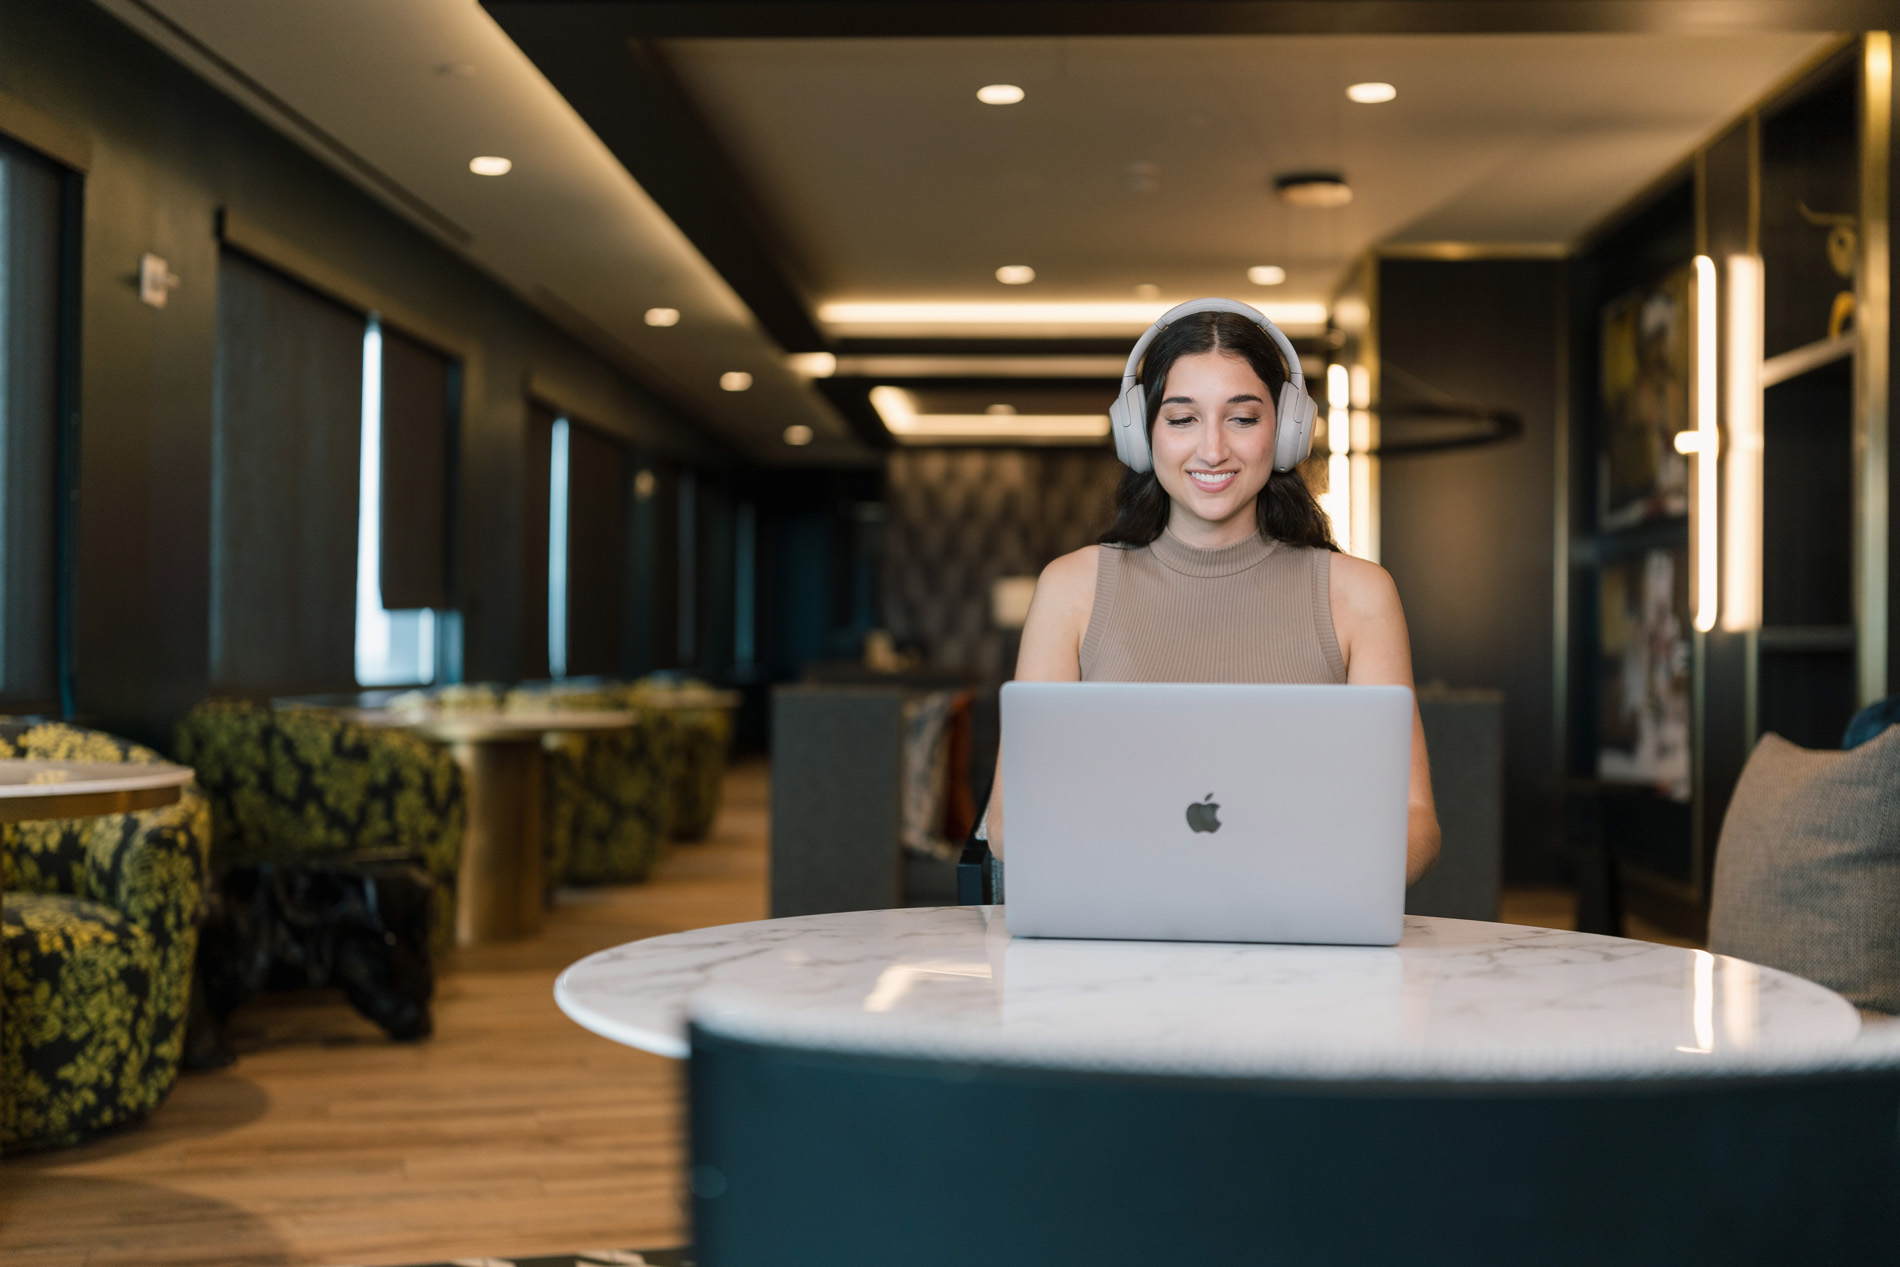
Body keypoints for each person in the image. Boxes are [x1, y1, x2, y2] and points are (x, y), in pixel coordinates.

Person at [986, 304, 1441, 885]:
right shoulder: (1071, 589)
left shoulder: (1359, 594)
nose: (1212, 450)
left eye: (1242, 418)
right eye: (1182, 419)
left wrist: (1321, 888)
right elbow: (1009, 822)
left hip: (1300, 941)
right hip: (1116, 941)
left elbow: (1414, 817)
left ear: (1285, 431)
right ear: (1141, 434)